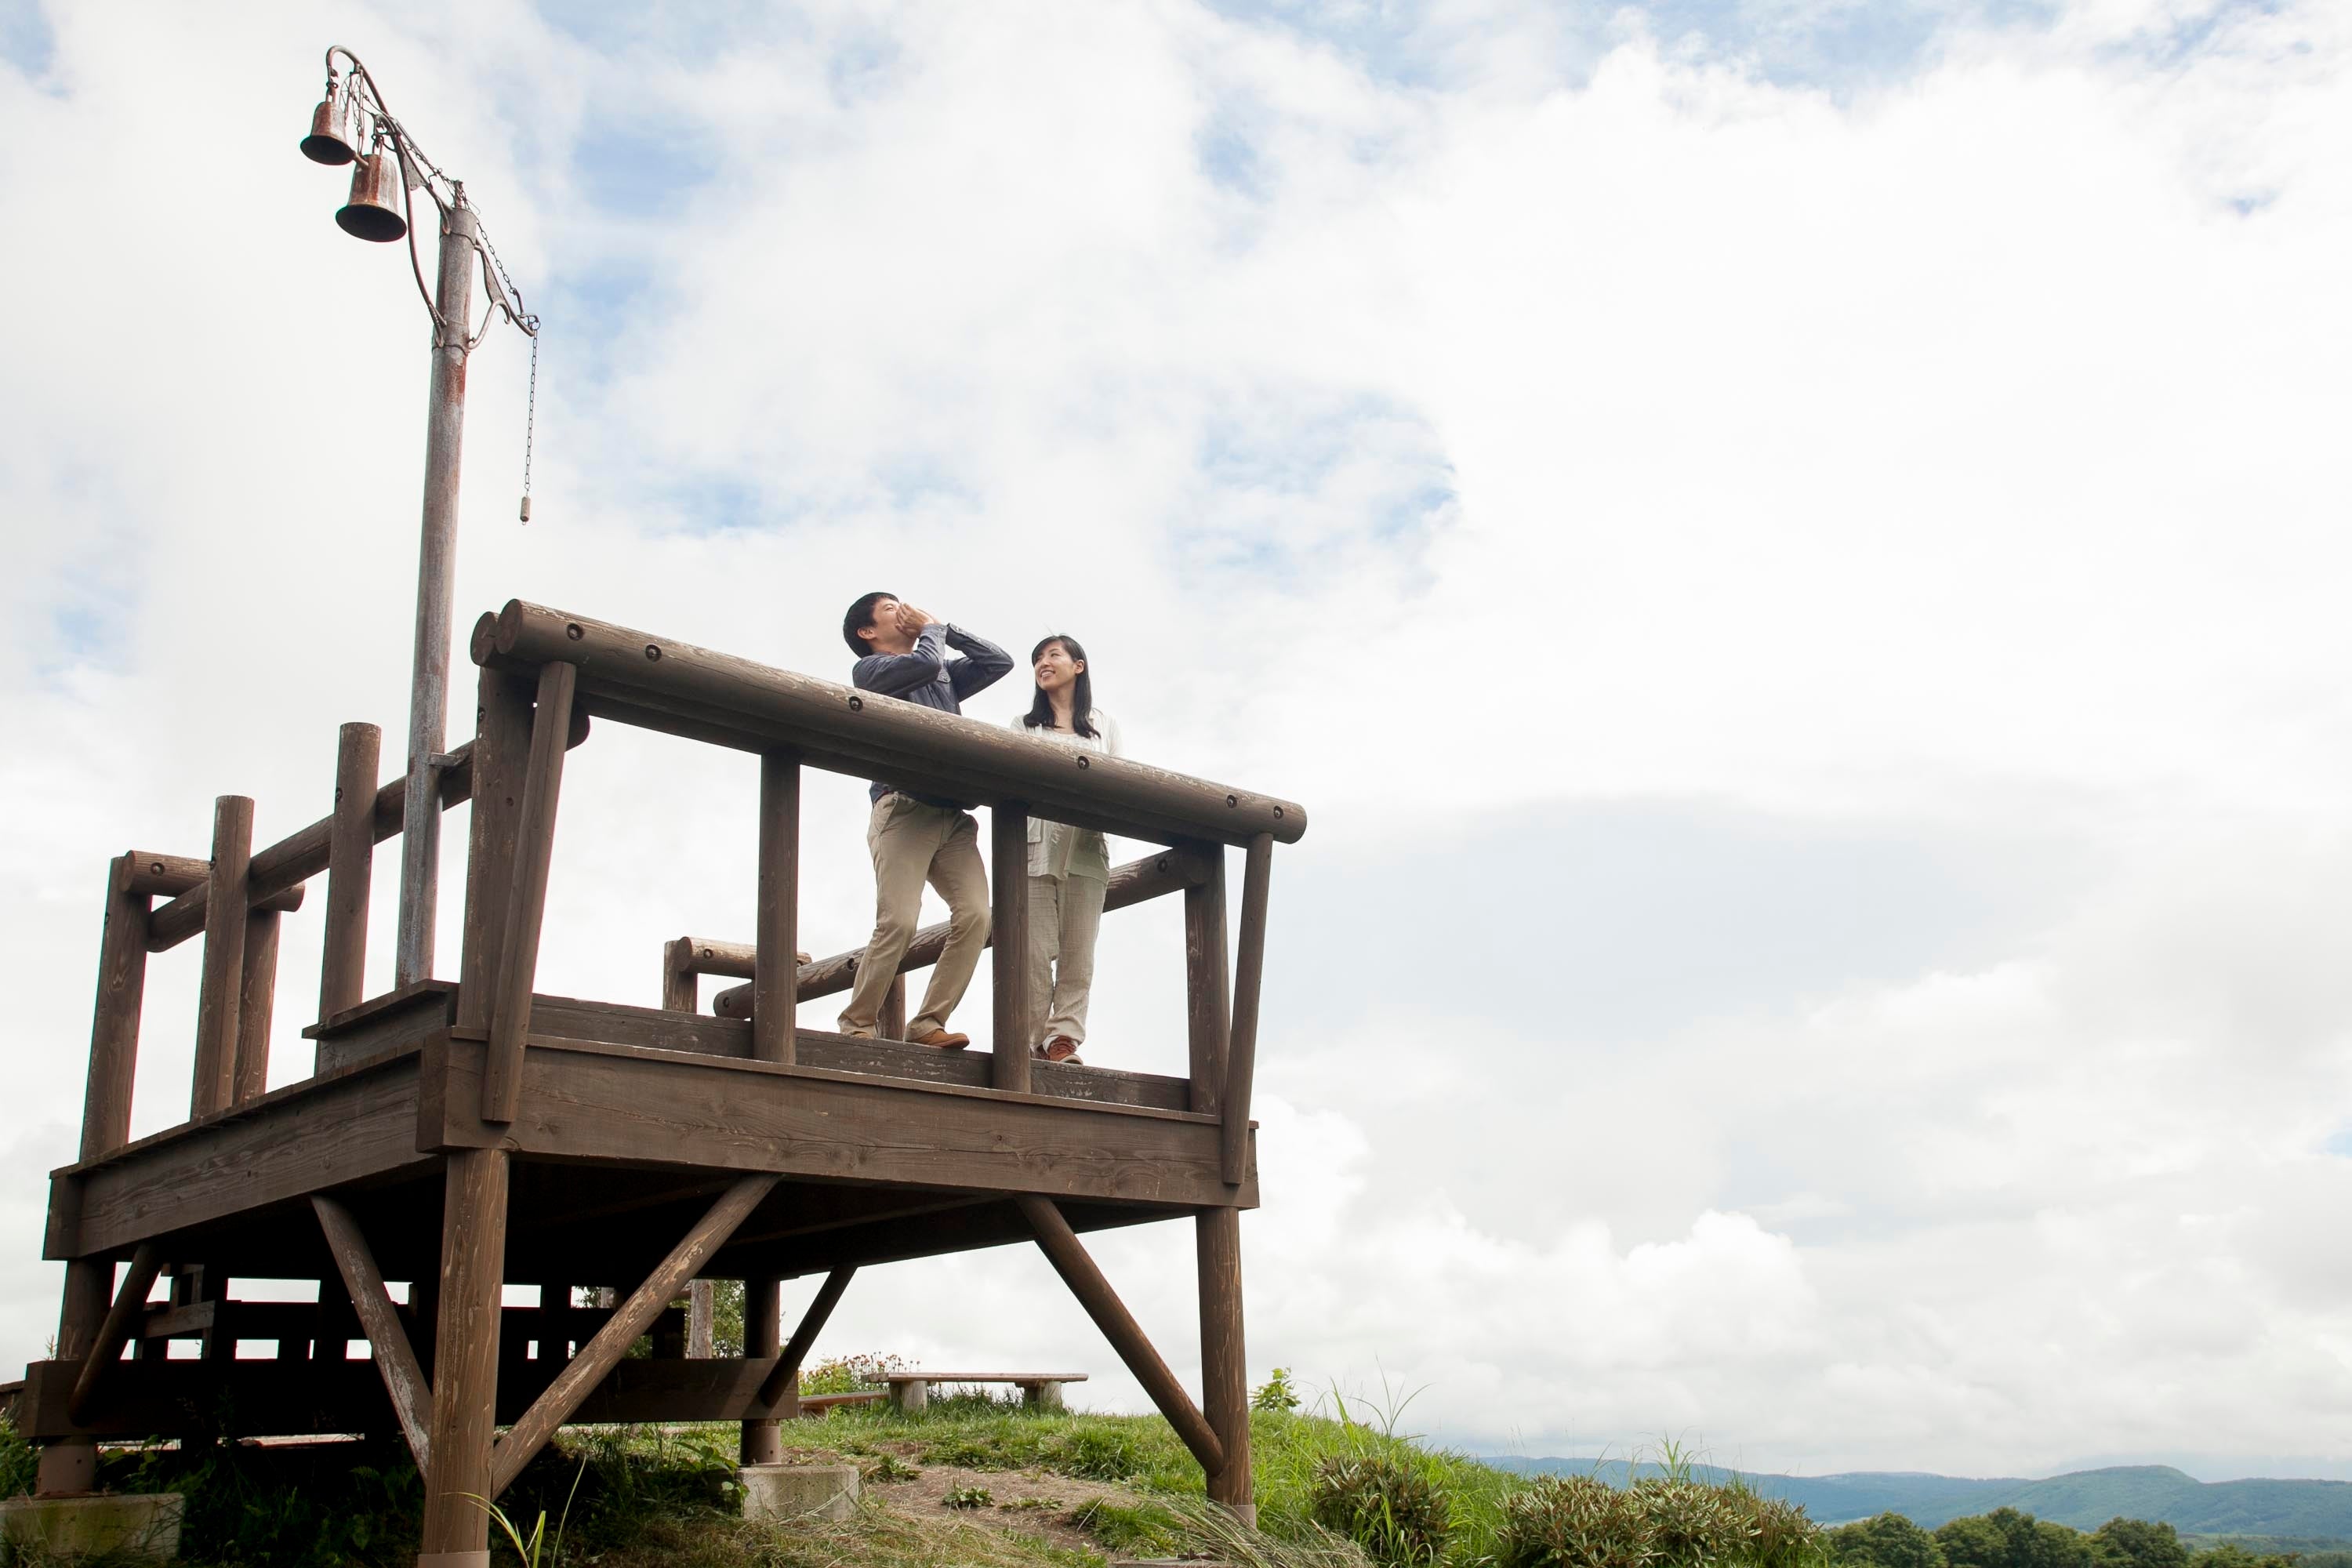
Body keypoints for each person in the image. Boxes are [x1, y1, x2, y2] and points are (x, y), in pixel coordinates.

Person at [837, 592, 1013, 1047]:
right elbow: (924, 664)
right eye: (890, 608)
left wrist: (946, 630)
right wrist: (932, 631)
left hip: (952, 815)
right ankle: (857, 1025)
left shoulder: (941, 669)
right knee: (899, 921)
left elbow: (999, 662)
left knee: (977, 916)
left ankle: (927, 1023)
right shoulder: (870, 670)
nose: (903, 610)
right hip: (903, 808)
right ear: (867, 632)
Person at [1008, 634, 1122, 1065]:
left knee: (1079, 953)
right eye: (1037, 658)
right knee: (1033, 953)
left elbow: (1121, 780)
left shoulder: (1104, 724)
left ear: (1078, 665)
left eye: (1053, 654)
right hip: (1034, 850)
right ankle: (1032, 1043)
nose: (1043, 662)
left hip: (1087, 851)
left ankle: (1063, 1040)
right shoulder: (1024, 725)